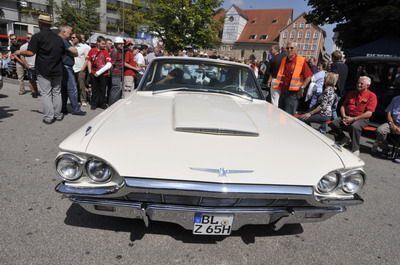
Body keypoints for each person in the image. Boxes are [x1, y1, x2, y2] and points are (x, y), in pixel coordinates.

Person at [14, 15, 70, 124]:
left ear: (40, 24)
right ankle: (58, 115)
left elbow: (30, 53)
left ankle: (49, 117)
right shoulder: (59, 38)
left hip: (43, 69)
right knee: (57, 92)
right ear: (49, 24)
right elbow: (63, 55)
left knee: (46, 93)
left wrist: (19, 52)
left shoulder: (37, 37)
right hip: (57, 70)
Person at [329, 76, 378, 156]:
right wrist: (344, 116)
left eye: (361, 84)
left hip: (361, 118)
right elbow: (343, 106)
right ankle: (342, 139)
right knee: (333, 123)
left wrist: (353, 119)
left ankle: (355, 149)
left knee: (354, 126)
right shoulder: (351, 93)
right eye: (358, 83)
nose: (358, 85)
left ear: (367, 86)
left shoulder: (372, 96)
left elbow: (369, 113)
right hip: (347, 116)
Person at [271, 42, 312, 114]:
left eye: (291, 48)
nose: (289, 50)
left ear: (296, 49)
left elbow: (309, 76)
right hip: (283, 91)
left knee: (288, 116)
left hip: (293, 94)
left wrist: (302, 87)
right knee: (280, 113)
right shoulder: (284, 60)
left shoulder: (301, 60)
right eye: (287, 48)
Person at [58, 25, 85, 116]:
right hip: (66, 67)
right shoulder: (63, 40)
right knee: (72, 88)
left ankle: (63, 108)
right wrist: (73, 50)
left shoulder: (62, 40)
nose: (71, 35)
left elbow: (74, 53)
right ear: (64, 32)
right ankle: (76, 109)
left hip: (64, 67)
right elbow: (74, 52)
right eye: (70, 33)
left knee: (64, 89)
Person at [87, 36, 112, 110]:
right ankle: (94, 103)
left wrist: (100, 72)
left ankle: (102, 104)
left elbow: (109, 63)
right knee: (94, 89)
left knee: (103, 89)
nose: (104, 45)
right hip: (93, 73)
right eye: (103, 44)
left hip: (103, 74)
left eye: (105, 44)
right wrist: (90, 72)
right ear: (98, 43)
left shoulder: (105, 51)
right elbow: (89, 61)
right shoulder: (92, 50)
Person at [71, 33, 91, 106]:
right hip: (72, 68)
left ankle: (83, 100)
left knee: (81, 85)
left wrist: (83, 68)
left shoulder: (85, 47)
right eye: (71, 37)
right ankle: (76, 99)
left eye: (74, 37)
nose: (72, 39)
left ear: (78, 38)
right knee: (74, 85)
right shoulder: (70, 46)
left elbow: (87, 59)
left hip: (80, 69)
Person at [19, 33, 39, 98]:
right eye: (27, 38)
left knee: (37, 80)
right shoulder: (23, 46)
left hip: (37, 65)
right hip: (29, 66)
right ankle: (34, 92)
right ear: (26, 39)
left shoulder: (37, 45)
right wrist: (26, 64)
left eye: (30, 37)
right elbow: (22, 56)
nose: (29, 39)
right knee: (31, 80)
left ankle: (36, 90)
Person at [108, 37, 124, 105]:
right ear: (116, 44)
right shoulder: (115, 51)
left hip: (119, 72)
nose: (121, 45)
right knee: (115, 88)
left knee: (117, 88)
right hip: (115, 73)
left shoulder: (120, 51)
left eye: (122, 44)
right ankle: (112, 104)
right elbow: (112, 63)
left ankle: (114, 103)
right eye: (119, 44)